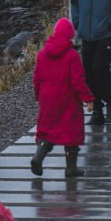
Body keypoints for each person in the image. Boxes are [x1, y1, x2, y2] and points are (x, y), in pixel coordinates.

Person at [31, 17, 95, 178]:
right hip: (68, 97)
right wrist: (88, 99)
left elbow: (37, 78)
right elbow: (78, 81)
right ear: (70, 36)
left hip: (47, 96)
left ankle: (38, 157)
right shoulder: (72, 55)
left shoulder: (42, 54)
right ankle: (71, 168)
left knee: (47, 129)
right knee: (71, 130)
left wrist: (38, 97)